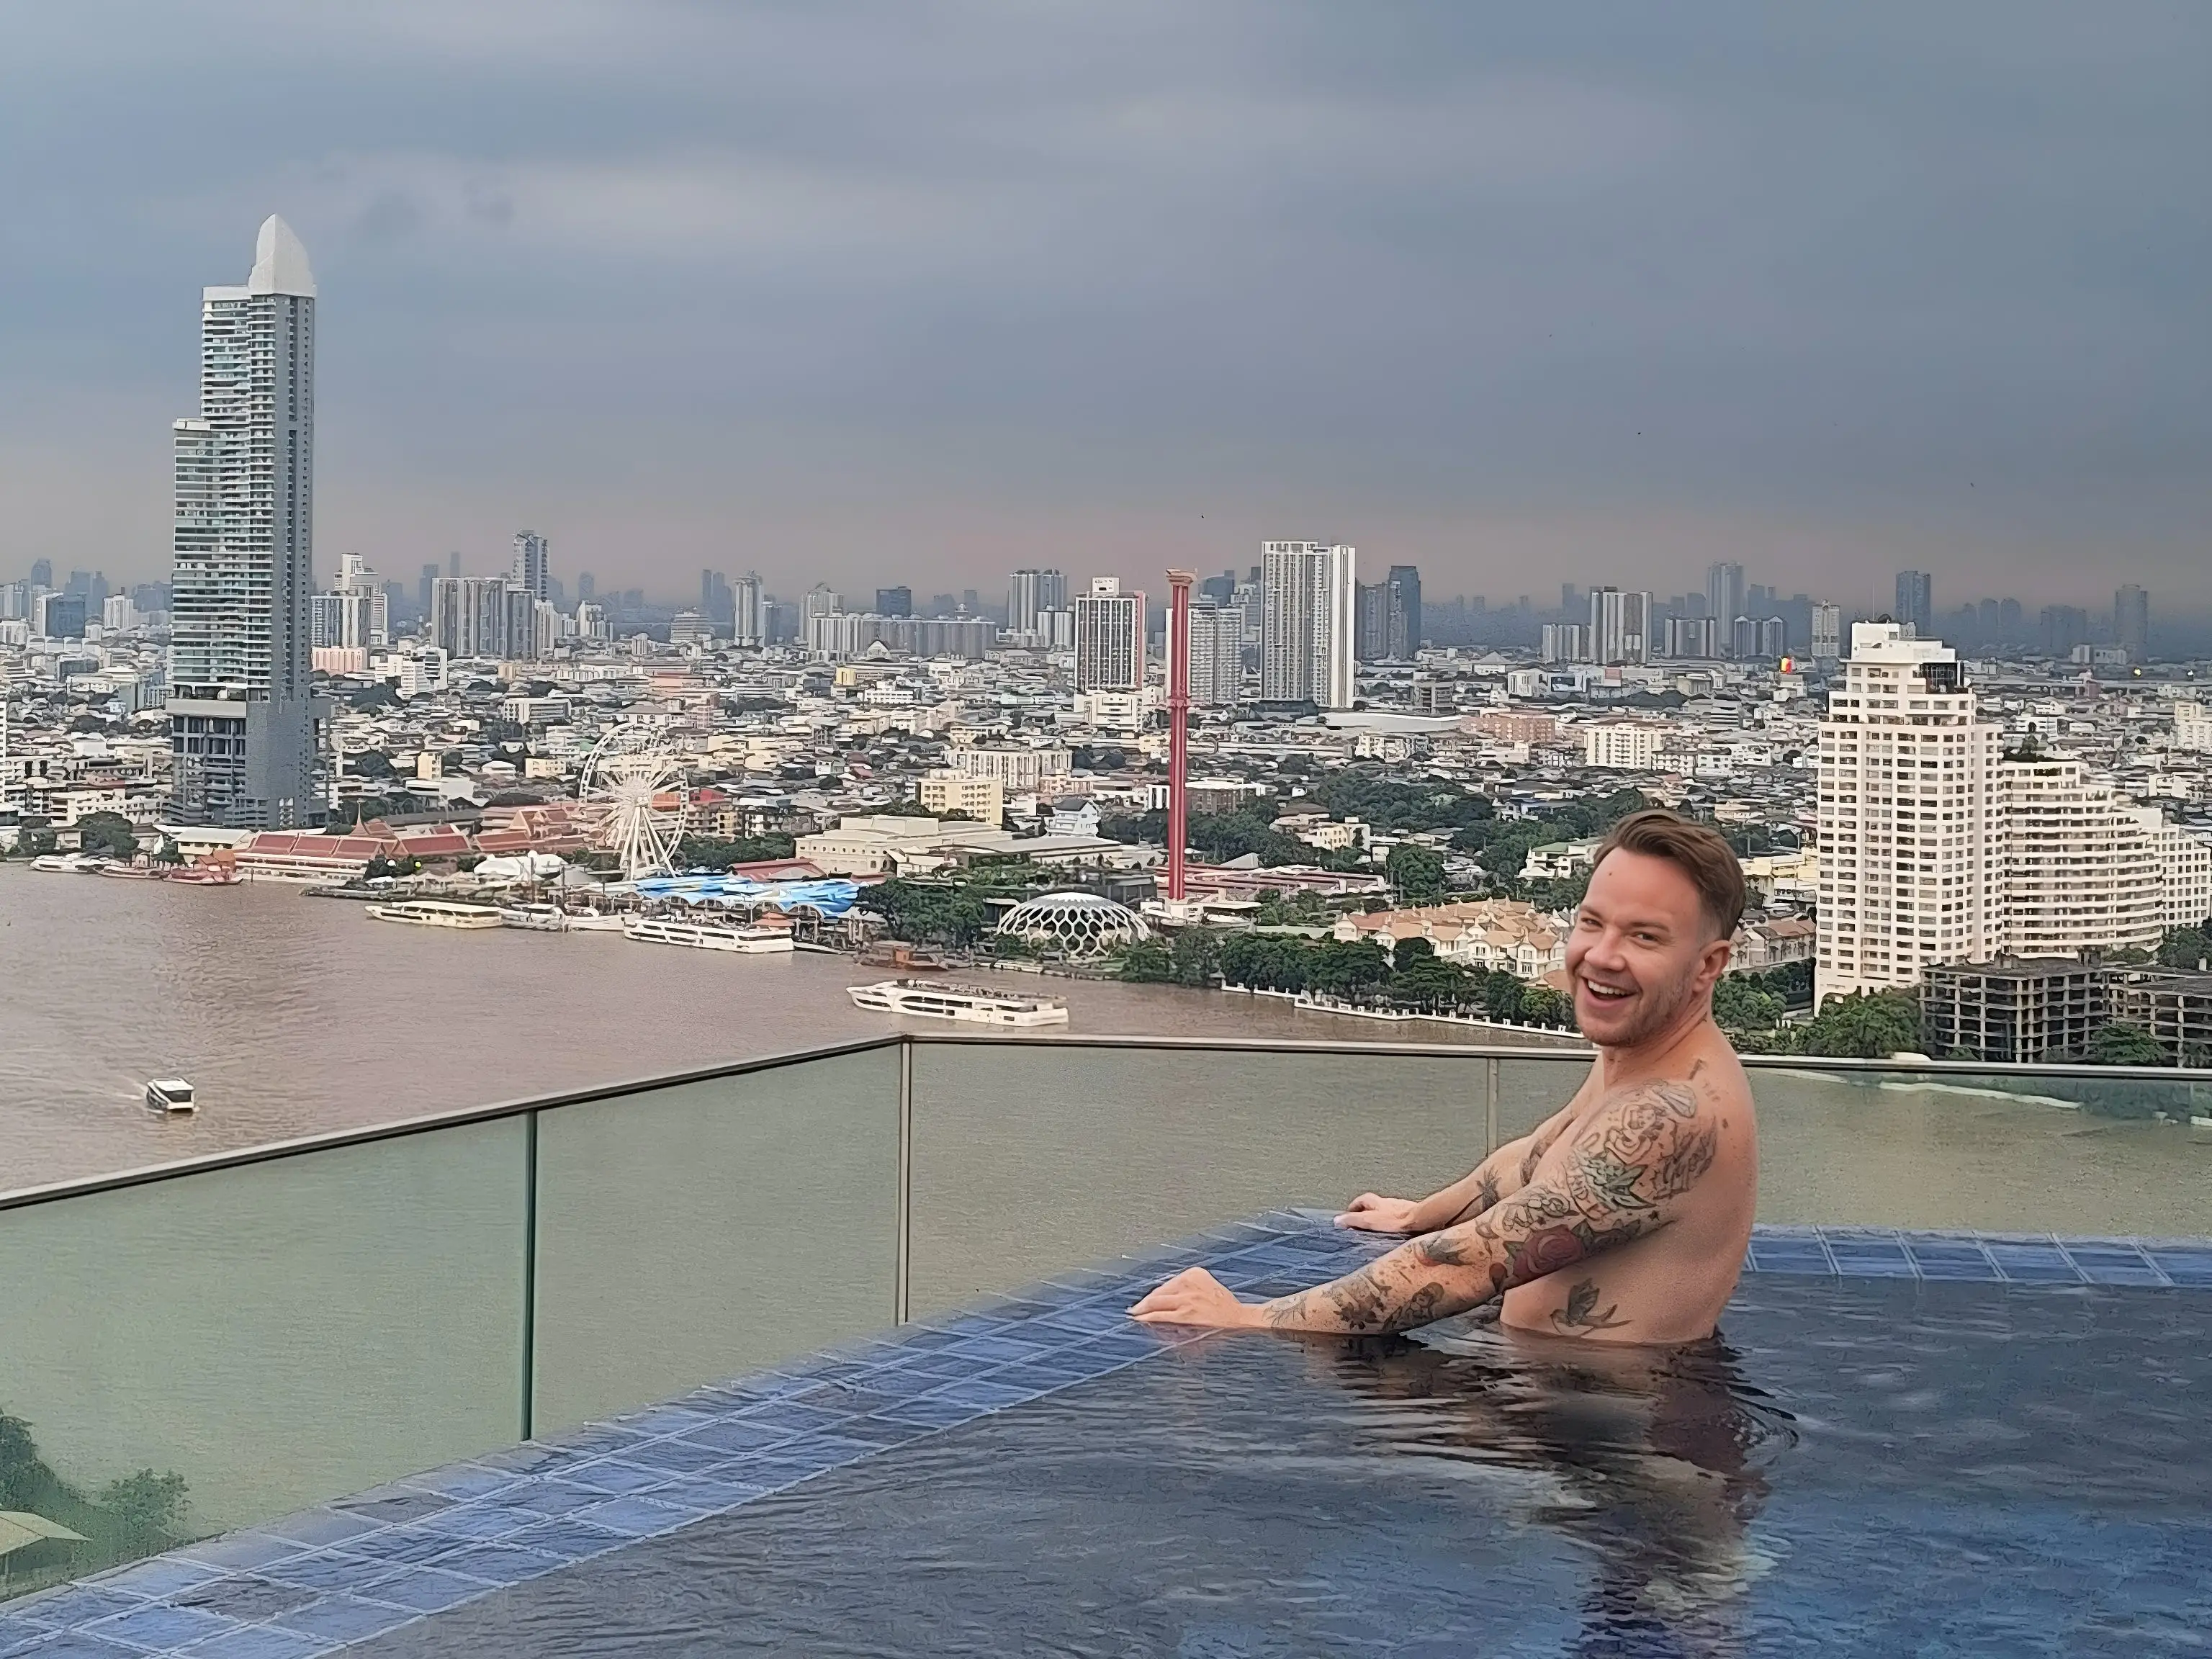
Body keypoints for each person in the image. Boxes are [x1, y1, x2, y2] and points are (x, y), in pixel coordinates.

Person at [1130, 809, 1759, 1342]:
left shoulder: (1670, 1113)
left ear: (1709, 966)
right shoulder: (1641, 1056)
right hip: (1564, 1403)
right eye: (1592, 923)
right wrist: (1419, 1214)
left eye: (1644, 937)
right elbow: (1540, 1158)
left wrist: (1249, 1318)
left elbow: (1466, 1266)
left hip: (1616, 1438)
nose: (1601, 955)